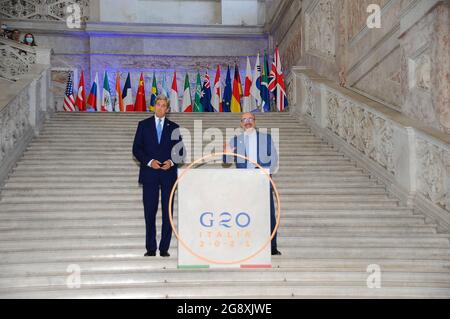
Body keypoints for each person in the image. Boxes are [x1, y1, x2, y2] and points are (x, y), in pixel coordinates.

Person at [132, 95, 185, 258]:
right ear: (154, 106)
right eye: (158, 105)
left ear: (168, 109)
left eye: (164, 106)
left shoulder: (174, 127)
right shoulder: (143, 125)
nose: (161, 108)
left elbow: (181, 152)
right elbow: (136, 149)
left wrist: (171, 161)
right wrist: (149, 162)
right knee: (150, 212)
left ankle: (164, 248)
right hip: (149, 175)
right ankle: (150, 248)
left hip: (168, 175)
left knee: (167, 212)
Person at [224, 112, 281, 256]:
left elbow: (273, 159)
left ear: (255, 121)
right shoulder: (235, 140)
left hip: (262, 181)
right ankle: (246, 246)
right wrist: (226, 153)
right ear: (241, 123)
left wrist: (263, 172)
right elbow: (226, 161)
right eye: (244, 120)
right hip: (244, 184)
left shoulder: (266, 138)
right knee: (245, 215)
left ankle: (272, 247)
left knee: (268, 215)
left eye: (250, 119)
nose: (247, 122)